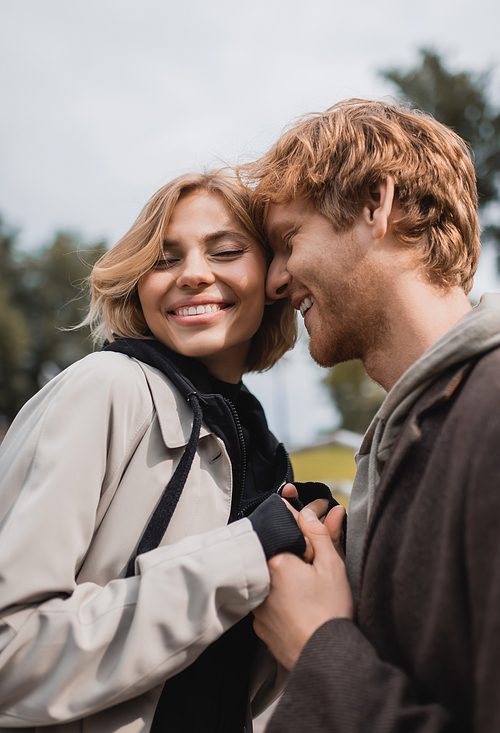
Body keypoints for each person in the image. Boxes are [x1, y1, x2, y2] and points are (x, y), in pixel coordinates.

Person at [0, 171, 331, 733]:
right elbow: (10, 655)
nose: (195, 274)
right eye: (163, 259)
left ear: (274, 277)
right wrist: (248, 553)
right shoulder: (105, 387)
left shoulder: (266, 451)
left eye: (226, 251)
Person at [237, 99, 500, 732]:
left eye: (287, 241)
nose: (273, 281)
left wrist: (317, 644)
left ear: (375, 205)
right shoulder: (422, 427)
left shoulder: (490, 415)